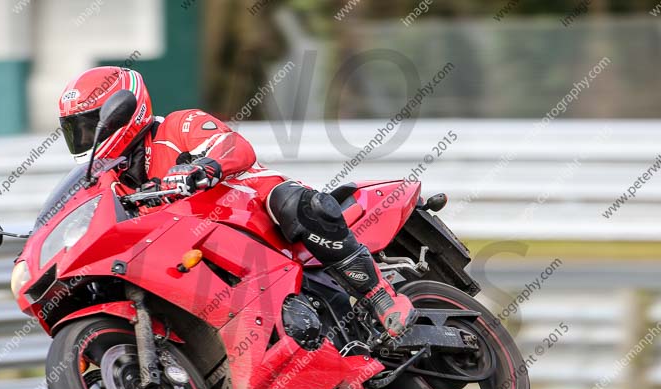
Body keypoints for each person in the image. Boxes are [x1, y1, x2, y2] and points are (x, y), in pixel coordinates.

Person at [58, 66, 417, 337]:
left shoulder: (178, 126)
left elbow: (237, 148)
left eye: (92, 125)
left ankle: (380, 297)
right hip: (202, 251)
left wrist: (205, 167)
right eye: (77, 130)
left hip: (254, 210)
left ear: (122, 115)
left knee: (296, 204)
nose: (86, 137)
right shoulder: (111, 181)